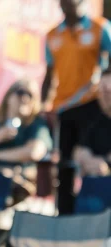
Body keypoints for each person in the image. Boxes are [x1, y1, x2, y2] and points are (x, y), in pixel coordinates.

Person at [42, 0, 111, 214]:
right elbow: (49, 73)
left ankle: (96, 211)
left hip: (92, 105)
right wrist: (44, 105)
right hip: (64, 108)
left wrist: (104, 84)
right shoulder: (53, 35)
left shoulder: (100, 28)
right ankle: (65, 215)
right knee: (65, 164)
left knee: (92, 158)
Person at [74, 67, 111, 176]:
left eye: (108, 91)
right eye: (100, 91)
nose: (103, 96)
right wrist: (88, 160)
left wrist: (106, 164)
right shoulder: (97, 120)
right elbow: (80, 151)